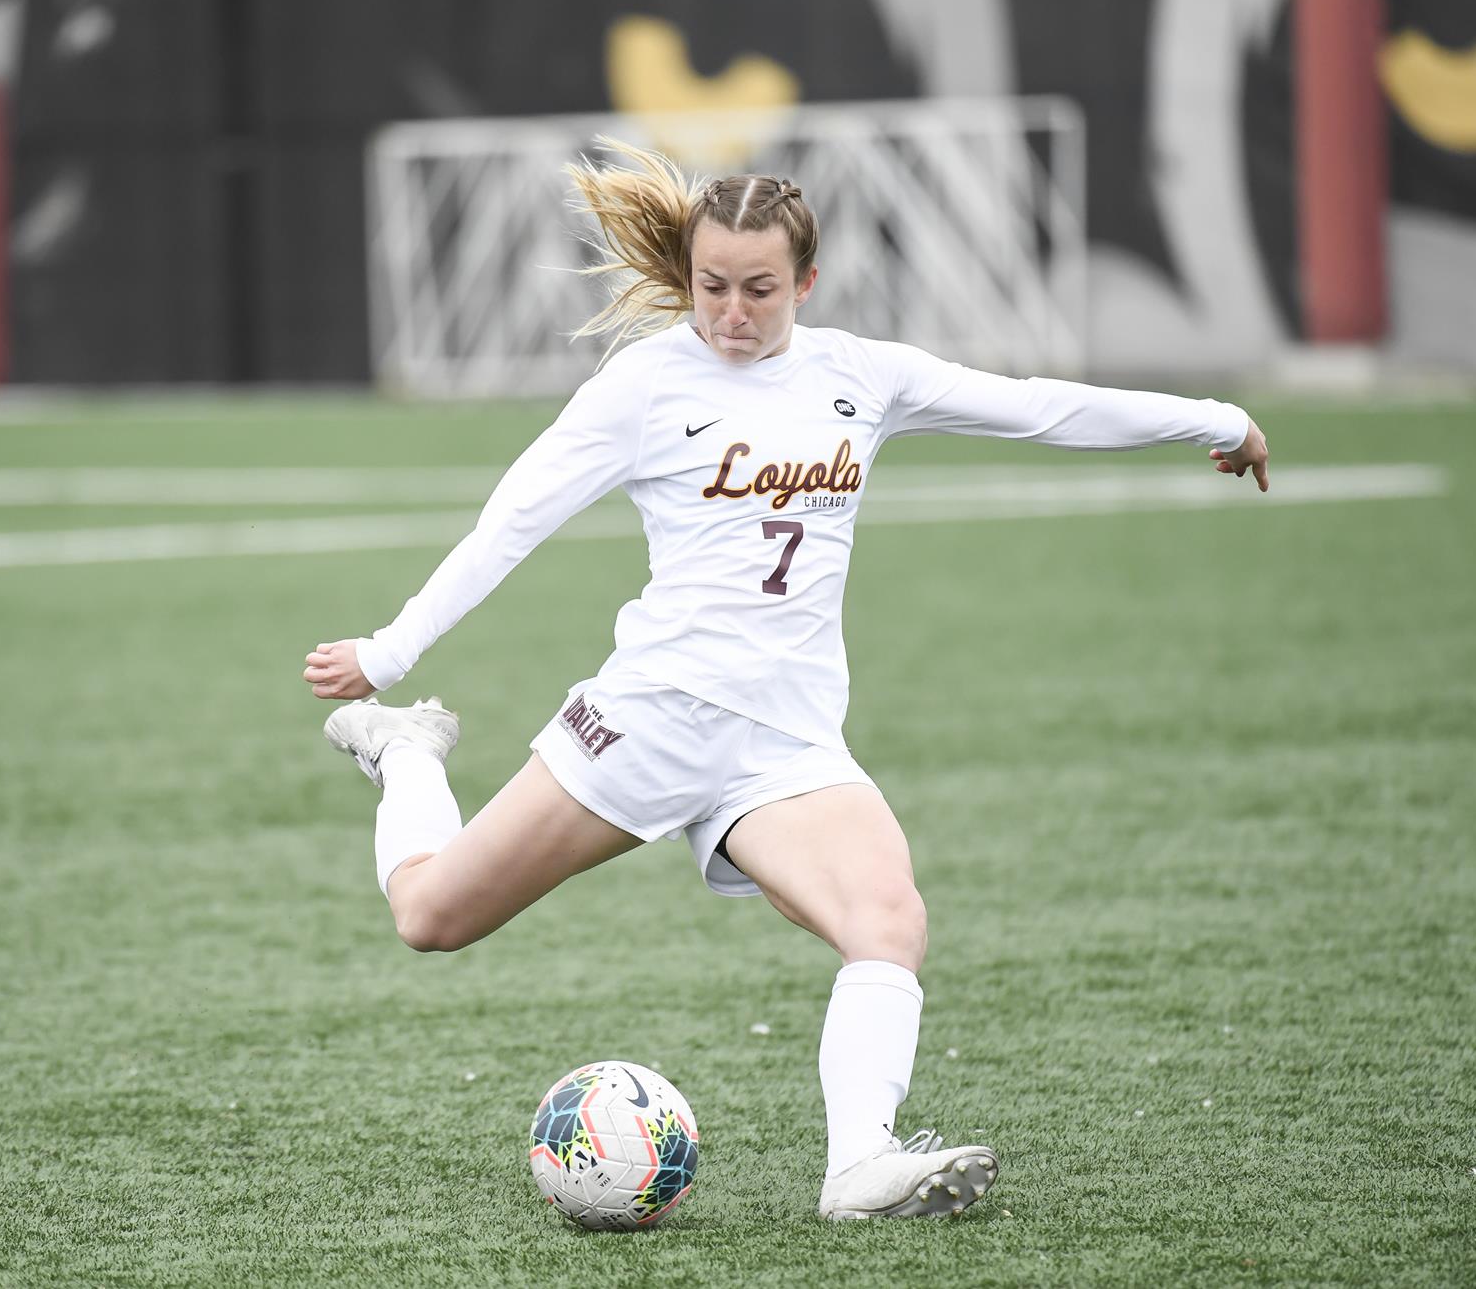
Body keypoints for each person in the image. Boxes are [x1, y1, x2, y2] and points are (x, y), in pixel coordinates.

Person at [301, 141, 1270, 1220]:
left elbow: (1037, 406)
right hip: (648, 721)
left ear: (803, 283)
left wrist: (1214, 419)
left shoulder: (861, 375)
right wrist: (386, 654)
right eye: (710, 286)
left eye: (758, 289)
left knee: (887, 922)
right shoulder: (643, 385)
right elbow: (510, 525)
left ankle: (858, 1162)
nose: (730, 311)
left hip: (788, 746)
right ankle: (405, 752)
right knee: (430, 916)